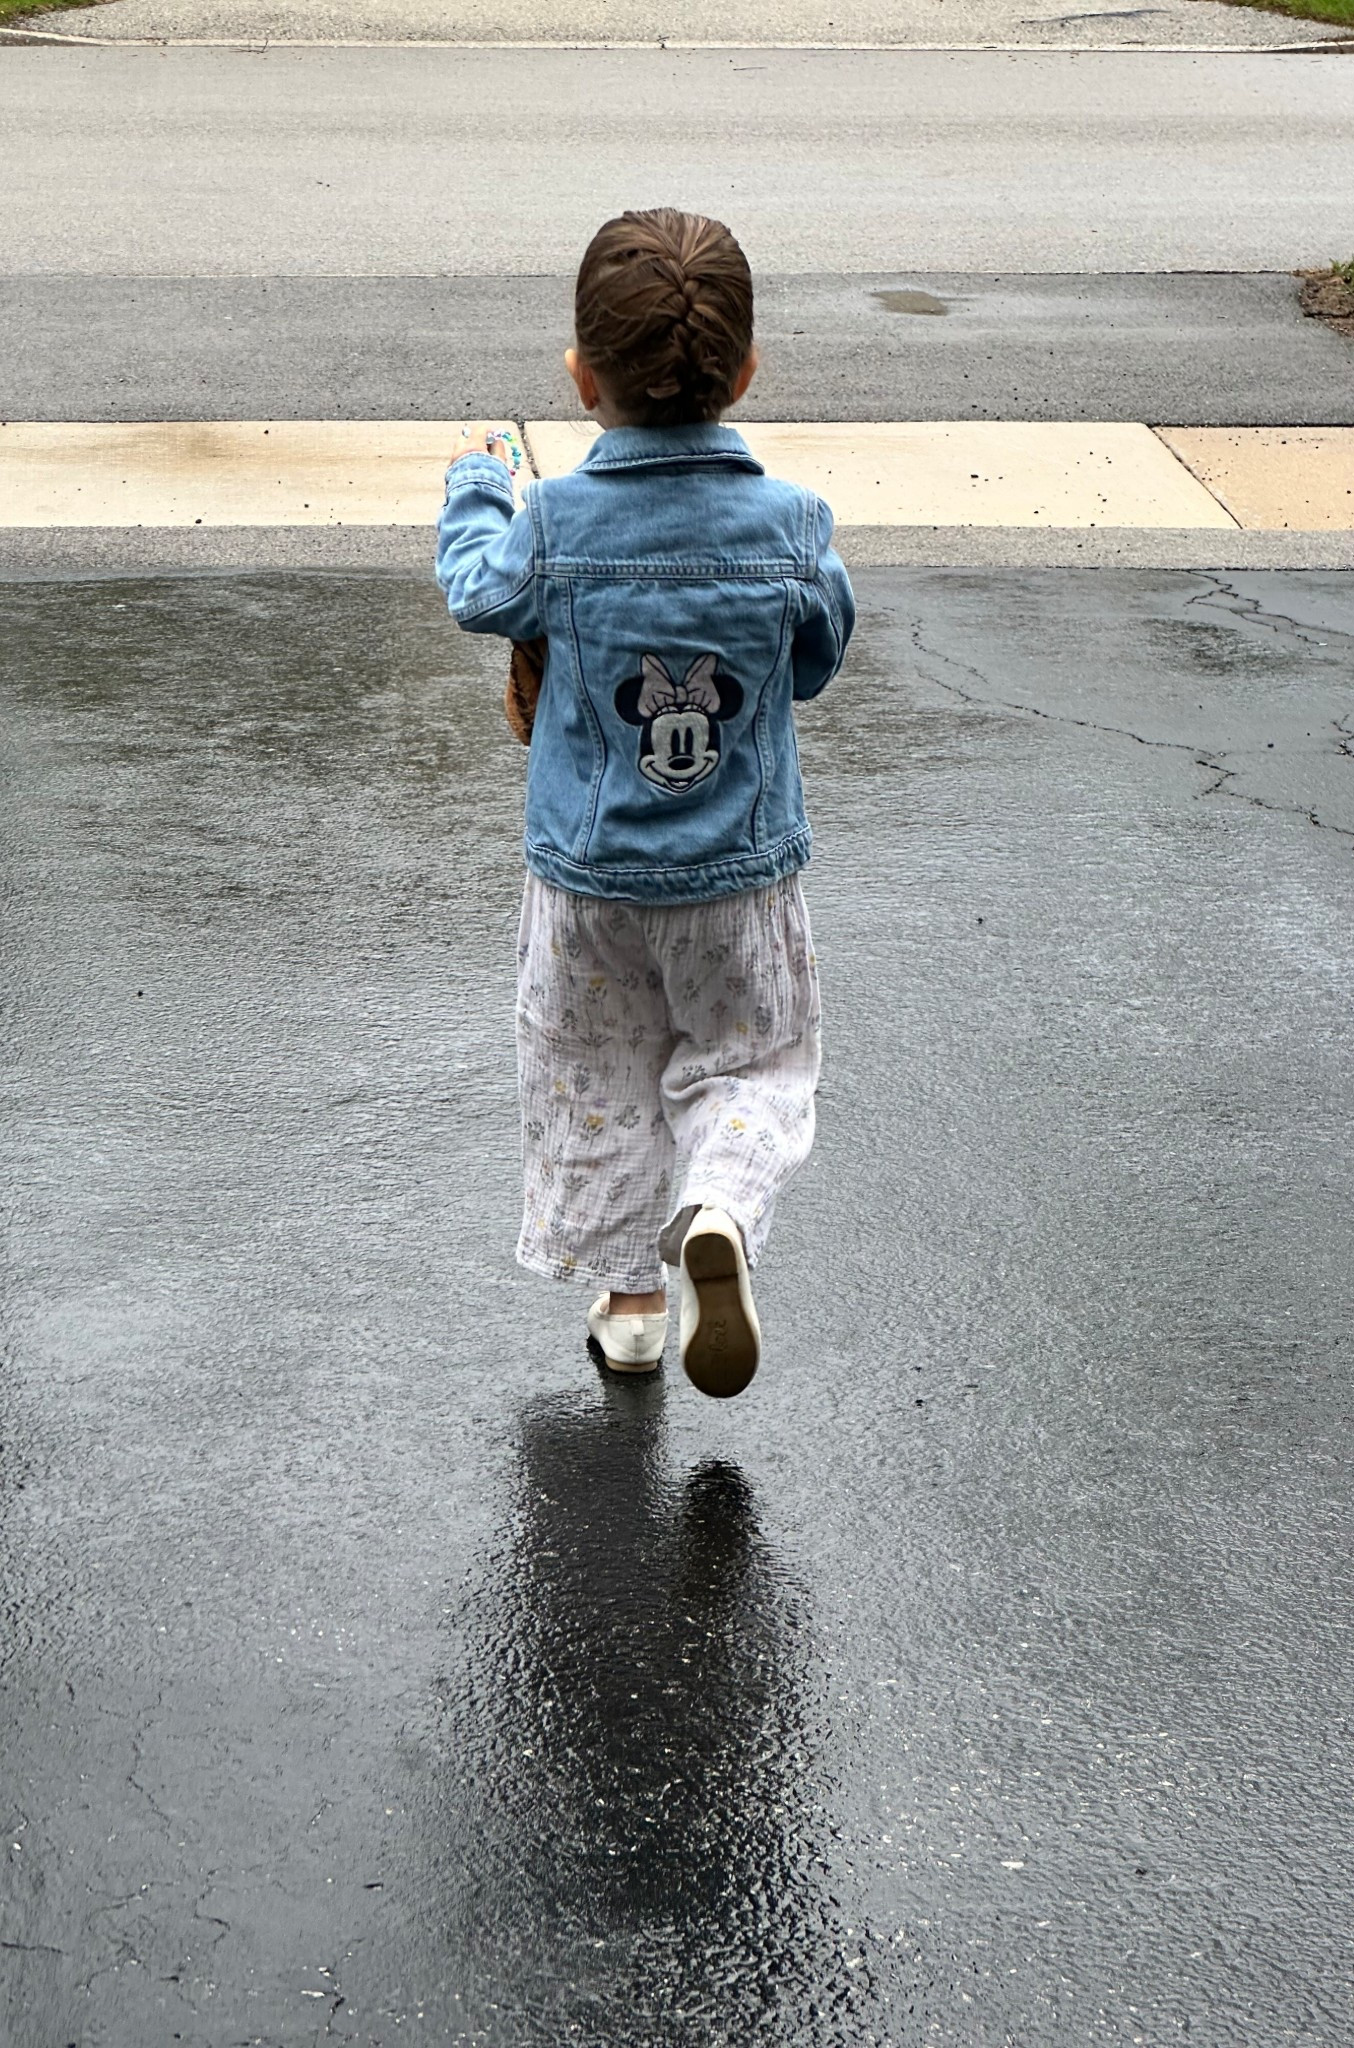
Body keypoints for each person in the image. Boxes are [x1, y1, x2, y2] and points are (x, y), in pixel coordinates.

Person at [436, 207, 854, 1399]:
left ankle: (627, 1305)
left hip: (587, 879)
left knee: (593, 1071)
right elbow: (816, 657)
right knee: (755, 1057)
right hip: (739, 873)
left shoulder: (556, 526)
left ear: (581, 380)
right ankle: (715, 1202)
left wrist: (479, 487)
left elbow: (480, 590)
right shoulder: (792, 529)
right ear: (748, 372)